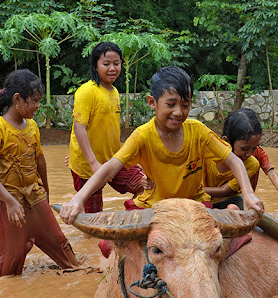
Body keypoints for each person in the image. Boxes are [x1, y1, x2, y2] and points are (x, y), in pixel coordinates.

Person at [59, 66, 264, 226]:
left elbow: (234, 160)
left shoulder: (199, 131)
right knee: (110, 247)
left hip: (194, 205)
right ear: (152, 102)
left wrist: (248, 194)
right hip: (155, 206)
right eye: (171, 104)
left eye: (185, 105)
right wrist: (78, 199)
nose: (178, 112)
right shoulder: (142, 136)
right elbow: (112, 166)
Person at [0, 69, 79, 277]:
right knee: (11, 262)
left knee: (62, 246)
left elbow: (39, 160)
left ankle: (78, 275)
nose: (38, 106)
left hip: (35, 195)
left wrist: (46, 192)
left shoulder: (32, 126)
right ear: (17, 99)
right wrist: (9, 202)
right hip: (10, 201)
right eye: (34, 101)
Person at [203, 108, 278, 280]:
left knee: (255, 211)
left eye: (254, 148)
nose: (250, 153)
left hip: (227, 198)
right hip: (201, 200)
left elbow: (225, 190)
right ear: (226, 141)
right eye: (244, 148)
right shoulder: (204, 153)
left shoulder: (251, 163)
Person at [68, 42, 145, 217]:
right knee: (92, 219)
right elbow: (79, 128)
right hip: (88, 167)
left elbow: (107, 130)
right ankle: (89, 245)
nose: (112, 68)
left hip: (113, 160)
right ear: (95, 65)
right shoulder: (86, 92)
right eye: (106, 64)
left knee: (145, 186)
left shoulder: (115, 92)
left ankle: (130, 226)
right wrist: (92, 162)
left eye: (116, 63)